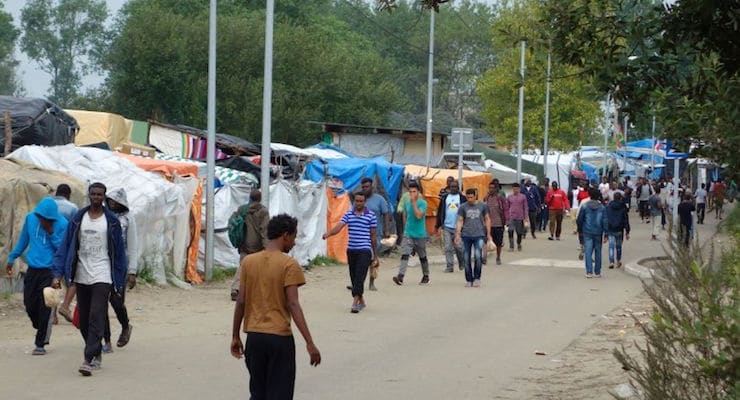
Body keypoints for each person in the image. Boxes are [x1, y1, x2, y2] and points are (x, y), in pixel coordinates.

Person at [231, 214, 321, 399]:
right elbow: (293, 303)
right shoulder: (289, 264)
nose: (294, 243)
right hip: (279, 339)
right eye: (294, 237)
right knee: (280, 393)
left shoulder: (248, 262)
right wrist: (309, 342)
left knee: (258, 392)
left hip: (254, 339)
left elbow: (241, 301)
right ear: (285, 235)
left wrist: (235, 335)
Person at [52, 182, 127, 376]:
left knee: (96, 314)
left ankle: (88, 358)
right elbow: (65, 246)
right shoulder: (78, 218)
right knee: (83, 319)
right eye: (93, 194)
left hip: (103, 273)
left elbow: (119, 253)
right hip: (80, 274)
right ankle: (96, 350)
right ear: (89, 195)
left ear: (104, 197)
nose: (96, 197)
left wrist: (120, 280)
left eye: (100, 195)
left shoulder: (111, 222)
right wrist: (58, 274)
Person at [6, 197, 68, 355]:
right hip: (32, 269)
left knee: (45, 305)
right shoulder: (30, 218)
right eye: (42, 218)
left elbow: (62, 249)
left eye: (48, 219)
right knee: (29, 303)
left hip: (51, 271)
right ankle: (39, 325)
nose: (44, 220)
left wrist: (50, 231)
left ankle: (40, 343)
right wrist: (12, 258)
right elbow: (23, 240)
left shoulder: (62, 224)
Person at [323, 192, 377, 313]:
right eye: (356, 201)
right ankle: (361, 300)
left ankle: (355, 303)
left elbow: (373, 236)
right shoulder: (348, 214)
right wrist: (329, 233)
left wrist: (375, 255)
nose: (358, 203)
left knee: (359, 277)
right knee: (353, 277)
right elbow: (339, 226)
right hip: (351, 250)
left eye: (361, 201)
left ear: (365, 202)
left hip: (365, 250)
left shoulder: (371, 216)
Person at [102, 188, 137, 352]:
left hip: (119, 265)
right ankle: (106, 341)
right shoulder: (103, 216)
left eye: (116, 201)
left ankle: (125, 325)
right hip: (101, 263)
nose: (112, 204)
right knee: (100, 304)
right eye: (110, 201)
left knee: (116, 301)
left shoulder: (128, 219)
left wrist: (132, 271)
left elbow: (133, 245)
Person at [230, 190, 270, 301]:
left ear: (250, 198)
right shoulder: (263, 211)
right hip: (257, 245)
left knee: (243, 266)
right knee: (261, 268)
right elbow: (264, 229)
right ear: (260, 199)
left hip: (244, 243)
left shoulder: (242, 209)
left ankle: (236, 289)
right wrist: (266, 246)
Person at [392, 182, 429, 286]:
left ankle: (426, 275)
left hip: (420, 234)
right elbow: (406, 216)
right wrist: (405, 229)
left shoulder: (423, 203)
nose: (412, 194)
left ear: (418, 192)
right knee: (405, 254)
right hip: (408, 233)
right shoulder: (407, 203)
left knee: (422, 256)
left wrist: (414, 203)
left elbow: (418, 215)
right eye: (410, 191)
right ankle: (400, 276)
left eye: (414, 191)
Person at [455, 188, 491, 287]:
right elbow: (460, 220)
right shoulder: (463, 207)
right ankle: (469, 279)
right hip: (466, 235)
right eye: (468, 197)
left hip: (479, 235)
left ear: (475, 196)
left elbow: (487, 219)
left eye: (471, 197)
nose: (469, 199)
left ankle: (477, 278)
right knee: (466, 258)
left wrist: (488, 233)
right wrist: (457, 233)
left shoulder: (483, 206)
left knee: (478, 256)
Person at [361, 178, 391, 279]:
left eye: (367, 187)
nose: (365, 189)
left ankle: (371, 280)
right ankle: (358, 281)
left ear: (372, 187)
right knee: (362, 258)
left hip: (375, 234)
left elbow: (386, 213)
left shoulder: (379, 199)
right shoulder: (360, 200)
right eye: (363, 187)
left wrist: (386, 230)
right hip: (362, 234)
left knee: (371, 257)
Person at [435, 180, 465, 273]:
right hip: (447, 226)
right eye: (451, 187)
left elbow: (466, 212)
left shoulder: (462, 198)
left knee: (459, 247)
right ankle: (449, 266)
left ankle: (462, 262)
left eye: (455, 187)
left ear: (458, 188)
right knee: (448, 247)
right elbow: (440, 211)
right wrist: (438, 225)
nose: (453, 188)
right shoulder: (445, 198)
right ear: (449, 188)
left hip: (458, 228)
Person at [577, 188, 608, 278]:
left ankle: (589, 272)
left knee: (588, 251)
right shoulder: (602, 207)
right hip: (598, 232)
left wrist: (580, 230)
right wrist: (606, 233)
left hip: (587, 231)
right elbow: (605, 220)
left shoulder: (585, 206)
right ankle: (597, 272)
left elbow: (580, 219)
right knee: (598, 251)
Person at [484, 180, 508, 265]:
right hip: (487, 224)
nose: (491, 190)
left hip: (498, 224)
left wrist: (506, 220)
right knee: (485, 241)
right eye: (489, 188)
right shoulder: (486, 198)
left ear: (496, 189)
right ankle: (484, 258)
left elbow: (505, 210)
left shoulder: (500, 198)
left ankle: (498, 257)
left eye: (492, 188)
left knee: (498, 242)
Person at [605, 192, 630, 269]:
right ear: (620, 198)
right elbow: (626, 219)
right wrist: (627, 231)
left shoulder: (608, 206)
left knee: (611, 246)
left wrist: (605, 233)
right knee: (618, 246)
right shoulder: (623, 207)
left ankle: (611, 261)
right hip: (619, 229)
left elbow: (606, 219)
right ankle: (618, 261)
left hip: (610, 228)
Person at [506, 183, 528, 251]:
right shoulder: (509, 197)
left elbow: (525, 207)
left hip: (520, 217)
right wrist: (507, 218)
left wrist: (526, 218)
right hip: (511, 217)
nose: (515, 190)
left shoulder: (523, 197)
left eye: (517, 189)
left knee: (519, 232)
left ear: (519, 189)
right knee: (510, 230)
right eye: (514, 189)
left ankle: (519, 243)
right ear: (512, 189)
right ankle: (511, 246)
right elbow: (507, 207)